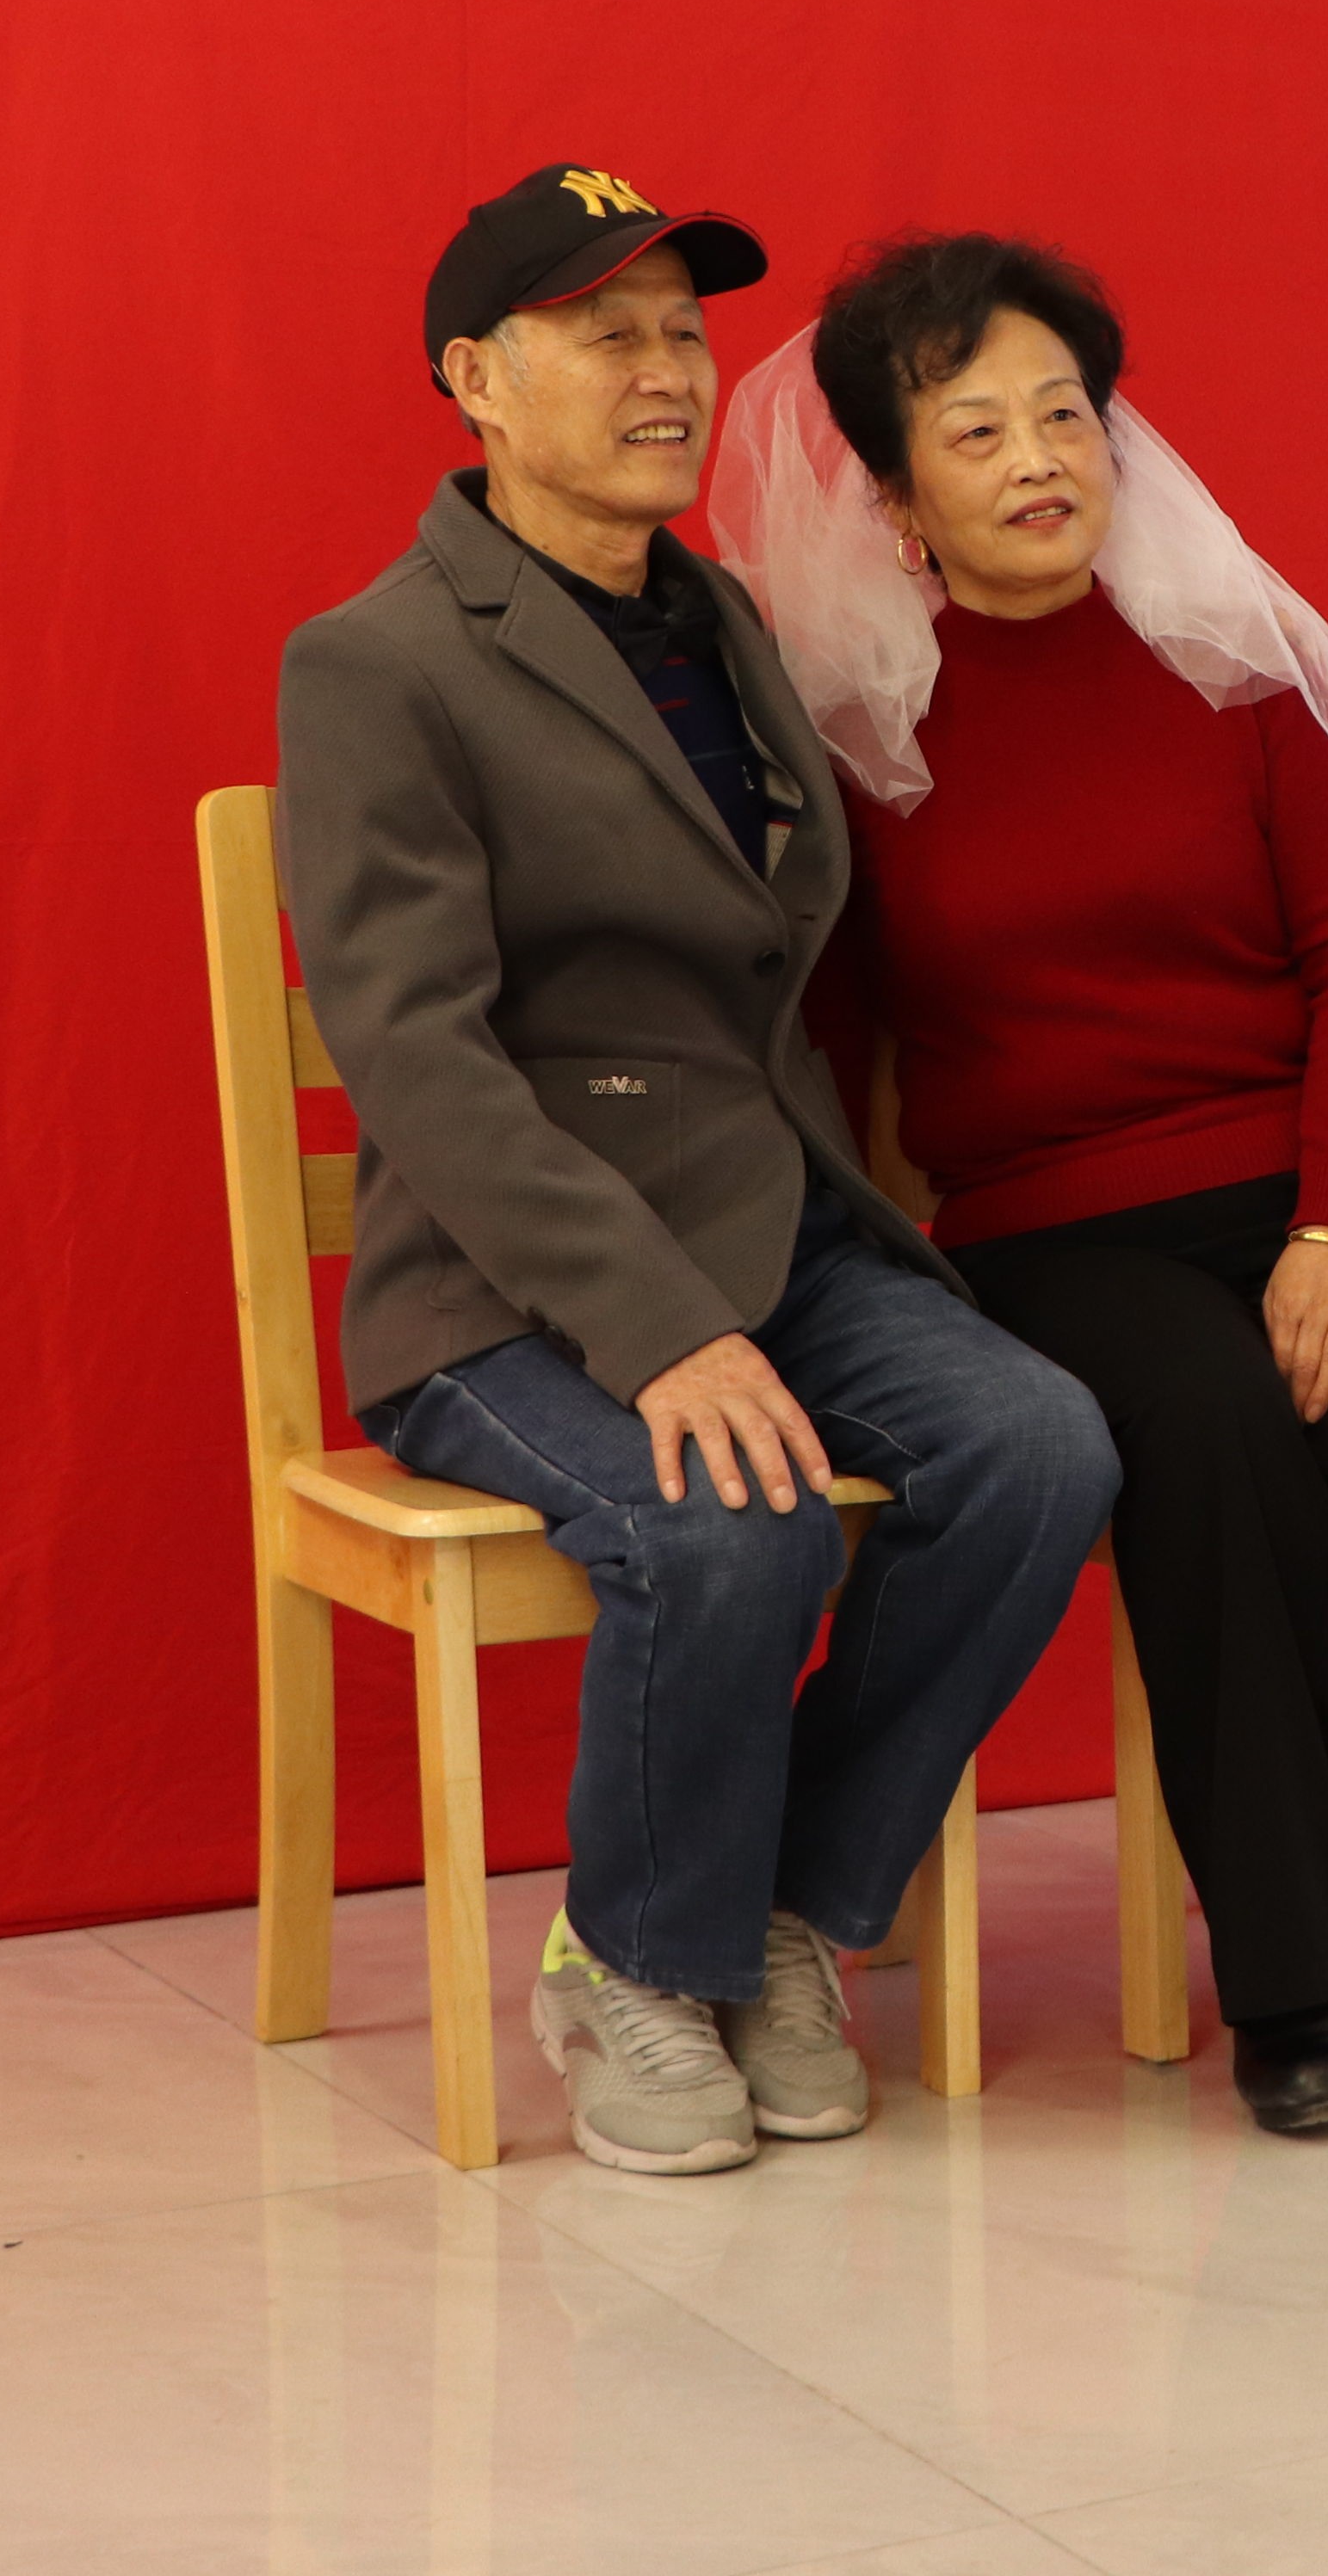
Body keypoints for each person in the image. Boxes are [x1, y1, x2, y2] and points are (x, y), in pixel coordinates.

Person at [277, 160, 1115, 2177]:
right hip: (507, 1292)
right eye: (604, 334)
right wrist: (658, 1327)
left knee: (1041, 1446)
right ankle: (634, 1960)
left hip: (778, 1221)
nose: (665, 370)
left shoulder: (724, 615)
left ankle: (788, 1908)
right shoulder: (380, 660)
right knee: (734, 1523)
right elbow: (422, 1055)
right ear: (476, 378)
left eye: (683, 330)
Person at [711, 231, 1328, 2137]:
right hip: (1057, 1235)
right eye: (975, 430)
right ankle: (1294, 1979)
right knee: (1222, 1467)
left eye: (1062, 413)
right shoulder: (859, 737)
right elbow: (829, 1055)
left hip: (1316, 1191)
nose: (1037, 457)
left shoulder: (1235, 658)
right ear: (897, 497)